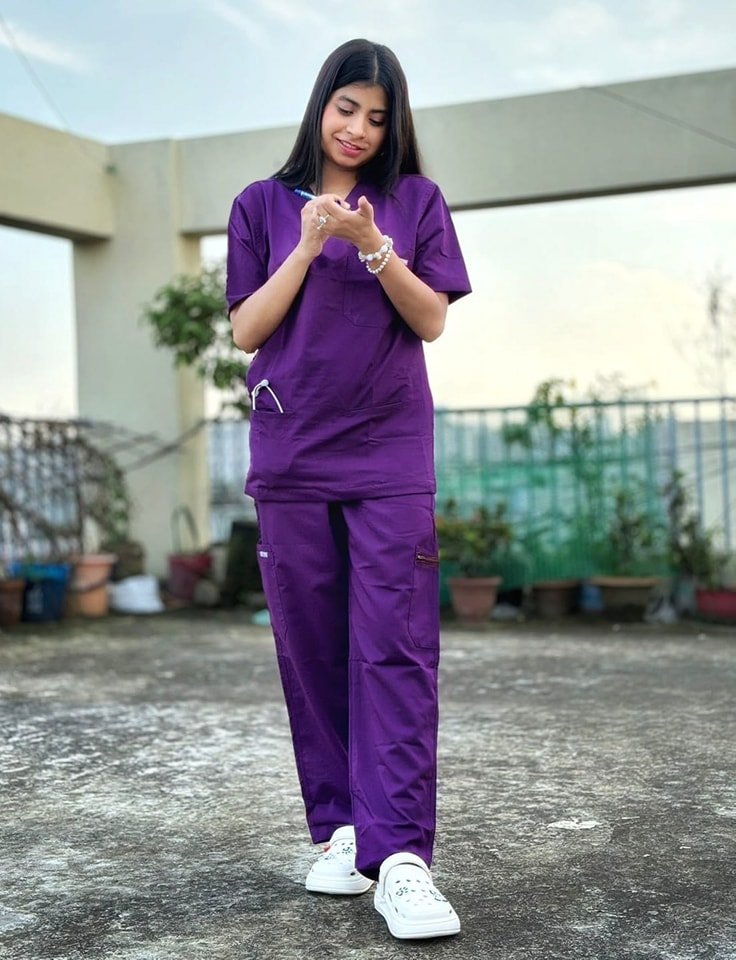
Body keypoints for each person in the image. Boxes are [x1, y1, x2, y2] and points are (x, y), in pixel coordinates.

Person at [225, 38, 471, 941]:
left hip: (388, 454)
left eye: (377, 115)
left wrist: (373, 247)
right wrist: (307, 244)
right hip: (292, 449)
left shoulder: (416, 201)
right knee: (313, 650)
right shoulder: (260, 204)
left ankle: (402, 859)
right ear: (320, 105)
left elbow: (431, 319)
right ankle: (342, 831)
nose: (359, 128)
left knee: (395, 649)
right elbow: (248, 328)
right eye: (346, 108)